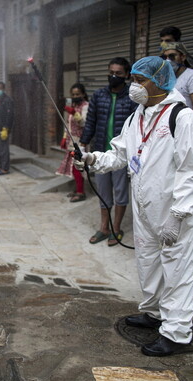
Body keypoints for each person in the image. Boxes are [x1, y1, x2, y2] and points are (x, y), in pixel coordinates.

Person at [76, 56, 193, 357]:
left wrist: (178, 214)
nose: (134, 86)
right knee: (148, 262)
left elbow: (192, 171)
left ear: (160, 82)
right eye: (133, 79)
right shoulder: (139, 115)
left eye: (140, 80)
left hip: (174, 211)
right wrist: (95, 159)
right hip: (145, 208)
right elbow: (121, 153)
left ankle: (177, 333)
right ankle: (155, 313)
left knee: (178, 269)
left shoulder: (183, 118)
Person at [80, 57, 138, 246]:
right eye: (111, 72)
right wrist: (84, 143)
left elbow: (137, 125)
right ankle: (104, 227)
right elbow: (91, 122)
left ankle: (116, 228)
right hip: (100, 152)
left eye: (118, 73)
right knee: (103, 191)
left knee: (120, 191)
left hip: (121, 154)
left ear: (127, 75)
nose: (114, 76)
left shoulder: (132, 96)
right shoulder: (99, 95)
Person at [56, 83, 89, 203]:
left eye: (78, 94)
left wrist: (74, 113)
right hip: (71, 140)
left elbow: (84, 123)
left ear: (83, 94)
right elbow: (68, 124)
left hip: (80, 141)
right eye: (73, 94)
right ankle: (77, 190)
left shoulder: (86, 106)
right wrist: (65, 137)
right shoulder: (73, 105)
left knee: (78, 166)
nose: (75, 96)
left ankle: (81, 192)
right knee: (72, 166)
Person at [161, 42, 193, 116]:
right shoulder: (164, 78)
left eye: (172, 56)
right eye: (164, 57)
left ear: (182, 57)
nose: (168, 60)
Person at [0, 82, 14, 175]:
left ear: (3, 89)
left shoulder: (7, 100)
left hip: (3, 128)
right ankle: (1, 166)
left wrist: (6, 128)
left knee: (3, 148)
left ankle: (5, 168)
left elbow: (10, 115)